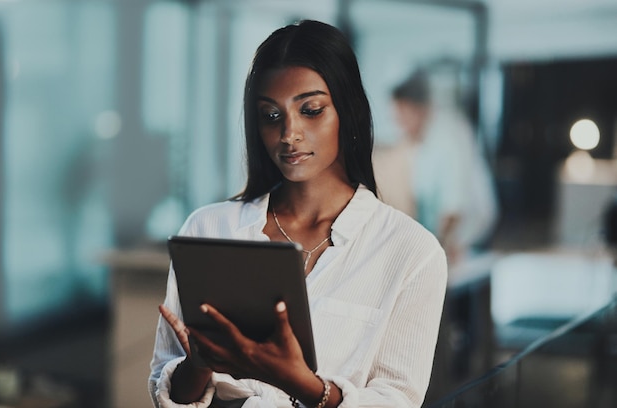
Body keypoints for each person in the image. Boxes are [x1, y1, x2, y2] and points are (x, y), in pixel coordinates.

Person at [149, 20, 447, 408]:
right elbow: (166, 391)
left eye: (311, 110)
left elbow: (398, 400)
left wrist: (303, 384)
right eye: (271, 116)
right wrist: (200, 365)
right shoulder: (209, 228)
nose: (289, 134)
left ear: (349, 112)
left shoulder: (411, 252)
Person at [378, 69, 498, 265]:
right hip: (439, 236)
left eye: (402, 116)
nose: (398, 124)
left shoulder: (448, 136)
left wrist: (438, 248)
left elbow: (453, 209)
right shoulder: (415, 140)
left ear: (419, 110)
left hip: (468, 233)